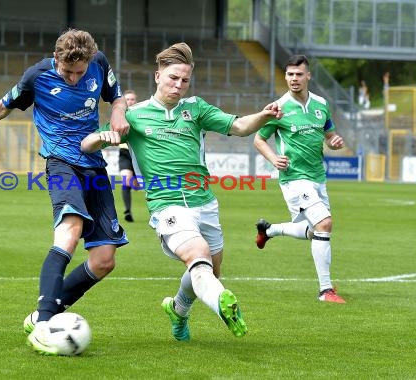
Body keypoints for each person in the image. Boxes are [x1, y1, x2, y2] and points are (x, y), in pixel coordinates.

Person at [0, 29, 130, 355]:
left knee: (104, 260)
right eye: (68, 72)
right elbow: (1, 107)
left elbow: (116, 96)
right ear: (56, 60)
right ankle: (44, 328)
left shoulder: (99, 63)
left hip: (94, 166)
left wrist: (118, 112)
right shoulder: (37, 76)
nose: (74, 78)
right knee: (71, 228)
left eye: (80, 73)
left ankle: (42, 312)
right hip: (61, 163)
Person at [81, 42, 282, 341]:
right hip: (167, 204)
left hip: (205, 202)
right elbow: (86, 144)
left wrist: (264, 115)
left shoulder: (197, 108)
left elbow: (239, 126)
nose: (178, 85)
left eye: (184, 80)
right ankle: (223, 303)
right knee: (197, 255)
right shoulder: (134, 116)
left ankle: (178, 310)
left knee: (208, 270)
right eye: (173, 78)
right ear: (157, 76)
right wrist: (102, 137)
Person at [253, 54, 346, 304]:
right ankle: (325, 290)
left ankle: (269, 230)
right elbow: (259, 139)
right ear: (285, 76)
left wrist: (334, 142)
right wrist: (274, 159)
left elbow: (329, 134)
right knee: (324, 224)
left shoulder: (321, 104)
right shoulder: (278, 108)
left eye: (298, 74)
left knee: (315, 231)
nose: (294, 79)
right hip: (294, 178)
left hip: (318, 176)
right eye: (290, 74)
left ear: (308, 76)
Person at [118, 89, 139, 222]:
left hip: (139, 154)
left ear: (136, 101)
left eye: (132, 99)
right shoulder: (119, 115)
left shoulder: (141, 115)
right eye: (127, 99)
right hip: (125, 153)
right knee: (126, 180)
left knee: (138, 184)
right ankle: (127, 211)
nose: (130, 101)